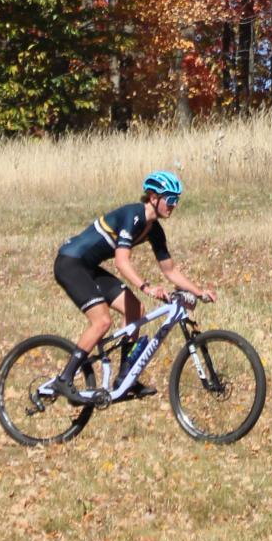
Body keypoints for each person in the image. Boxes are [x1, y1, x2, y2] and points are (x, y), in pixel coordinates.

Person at [49, 170, 214, 405]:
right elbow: (121, 262)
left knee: (134, 310)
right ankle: (64, 379)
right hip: (70, 263)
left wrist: (199, 291)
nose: (174, 205)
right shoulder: (133, 216)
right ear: (153, 197)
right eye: (171, 199)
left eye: (177, 200)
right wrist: (147, 287)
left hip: (88, 267)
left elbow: (170, 270)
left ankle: (125, 379)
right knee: (102, 321)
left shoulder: (154, 230)